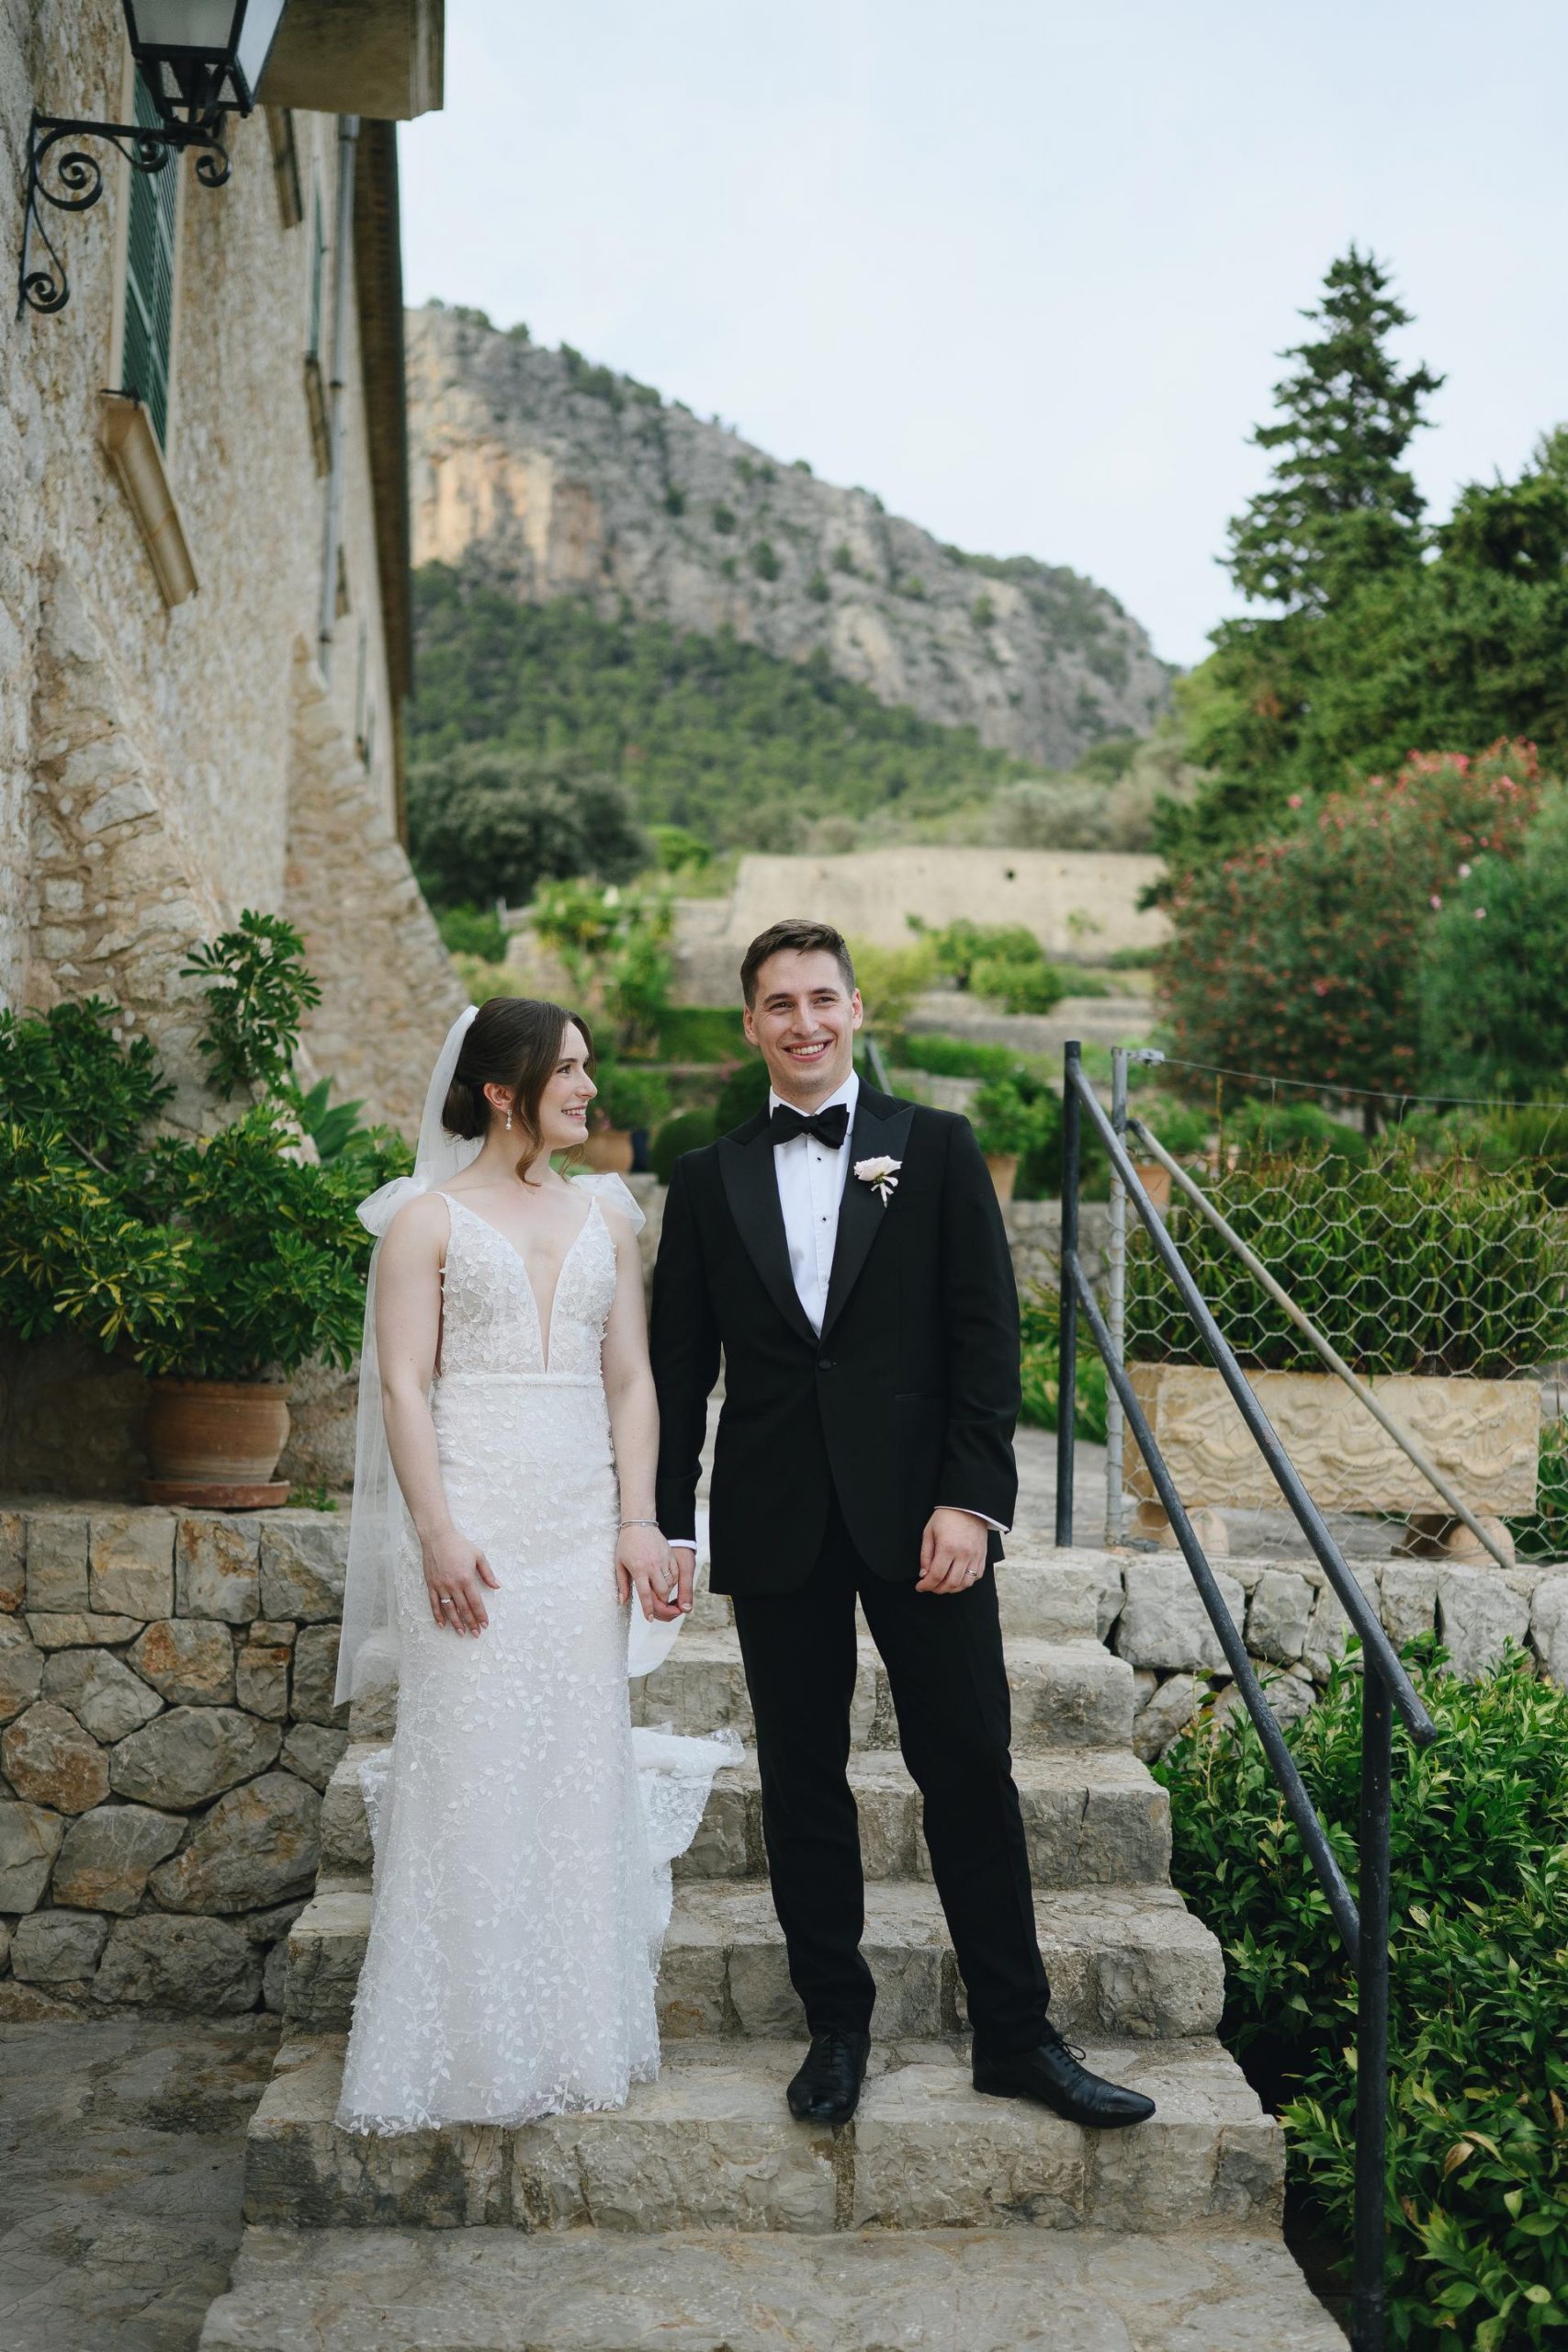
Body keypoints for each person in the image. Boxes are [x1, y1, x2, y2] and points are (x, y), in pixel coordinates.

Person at [649, 920, 1156, 2131]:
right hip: (776, 1523)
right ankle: (835, 2028)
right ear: (749, 1026)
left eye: (821, 999)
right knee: (802, 1785)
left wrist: (970, 1501)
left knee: (968, 1770)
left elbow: (986, 1341)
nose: (802, 1022)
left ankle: (1017, 2037)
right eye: (777, 1004)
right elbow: (675, 1374)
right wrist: (665, 1523)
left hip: (927, 1523)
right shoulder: (706, 1179)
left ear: (856, 1011)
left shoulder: (931, 1149)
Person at [333, 998, 732, 2133]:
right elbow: (406, 1383)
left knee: (571, 1763)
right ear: (501, 1088)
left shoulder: (609, 1211)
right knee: (469, 1768)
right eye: (567, 1070)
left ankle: (569, 2031)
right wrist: (438, 1530)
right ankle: (460, 2041)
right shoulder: (424, 1220)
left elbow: (634, 1381)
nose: (587, 1088)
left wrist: (640, 1520)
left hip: (578, 1523)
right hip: (477, 1516)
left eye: (588, 1067)